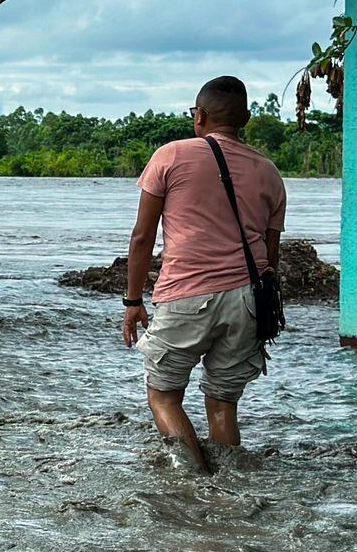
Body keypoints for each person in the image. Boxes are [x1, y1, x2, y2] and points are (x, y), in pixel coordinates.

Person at [122, 76, 286, 471]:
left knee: (163, 396)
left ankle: (193, 484)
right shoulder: (269, 173)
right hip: (246, 302)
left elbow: (143, 238)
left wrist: (133, 301)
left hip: (186, 295)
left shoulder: (170, 156)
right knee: (222, 403)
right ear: (245, 118)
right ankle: (228, 488)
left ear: (199, 116)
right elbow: (271, 259)